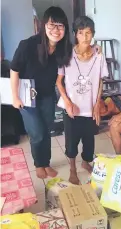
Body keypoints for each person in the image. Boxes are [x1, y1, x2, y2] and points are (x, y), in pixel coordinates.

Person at [11, 7, 72, 179]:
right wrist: (15, 96)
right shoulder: (28, 45)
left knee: (47, 130)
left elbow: (79, 54)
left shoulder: (63, 48)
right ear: (43, 25)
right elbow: (14, 70)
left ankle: (46, 162)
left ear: (65, 29)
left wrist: (95, 49)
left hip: (47, 96)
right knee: (37, 132)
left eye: (60, 26)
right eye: (52, 25)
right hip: (26, 97)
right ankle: (39, 164)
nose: (56, 30)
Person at [56, 16, 108, 185]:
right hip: (72, 108)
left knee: (89, 140)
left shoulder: (99, 55)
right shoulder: (67, 55)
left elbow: (100, 80)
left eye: (88, 33)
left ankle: (86, 162)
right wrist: (68, 102)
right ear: (75, 34)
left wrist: (97, 103)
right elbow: (58, 81)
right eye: (81, 33)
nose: (85, 37)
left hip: (90, 108)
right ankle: (72, 169)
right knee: (71, 142)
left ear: (92, 34)